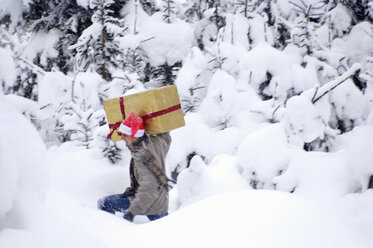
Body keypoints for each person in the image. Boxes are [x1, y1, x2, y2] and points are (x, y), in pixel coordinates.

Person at [97, 112, 172, 222]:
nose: (121, 137)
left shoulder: (142, 156)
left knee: (103, 203)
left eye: (125, 134)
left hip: (149, 203)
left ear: (135, 135)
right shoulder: (155, 142)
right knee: (163, 228)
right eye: (121, 133)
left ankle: (113, 228)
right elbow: (166, 136)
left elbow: (149, 188)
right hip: (161, 202)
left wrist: (133, 212)